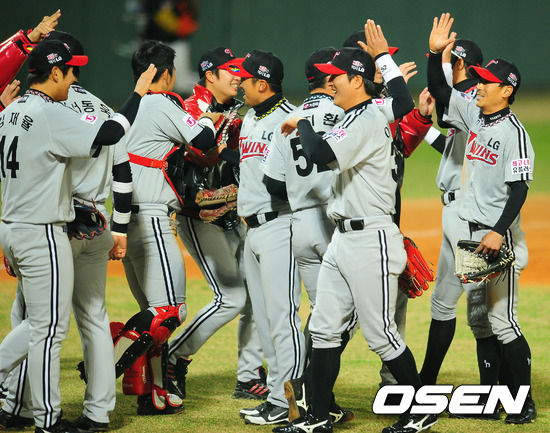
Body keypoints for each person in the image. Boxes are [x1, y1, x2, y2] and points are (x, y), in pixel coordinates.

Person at [275, 46, 437, 433]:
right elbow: (397, 105)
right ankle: (318, 416)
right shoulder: (357, 115)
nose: (329, 82)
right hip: (344, 240)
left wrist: (303, 121)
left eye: (336, 77)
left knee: (380, 333)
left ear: (356, 80)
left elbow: (318, 153)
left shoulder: (365, 119)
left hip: (371, 239)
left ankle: (421, 409)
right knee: (324, 328)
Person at [0, 39, 155, 433]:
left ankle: (19, 408)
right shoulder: (64, 111)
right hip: (56, 226)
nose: (75, 77)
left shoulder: (10, 110)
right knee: (61, 324)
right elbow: (113, 138)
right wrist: (138, 93)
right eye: (72, 69)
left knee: (34, 321)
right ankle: (65, 416)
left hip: (18, 222)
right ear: (56, 71)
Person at [427, 13, 536, 425]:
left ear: (506, 91)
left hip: (495, 238)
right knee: (481, 319)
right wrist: (434, 54)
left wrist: (497, 231)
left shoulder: (515, 133)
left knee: (502, 321)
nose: (479, 86)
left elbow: (520, 189)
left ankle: (523, 403)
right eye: (480, 79)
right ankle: (495, 397)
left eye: (487, 82)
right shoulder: (476, 115)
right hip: (471, 236)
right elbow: (441, 90)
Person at [119, 39, 219, 416]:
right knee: (170, 311)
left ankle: (154, 395)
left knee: (154, 317)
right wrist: (204, 111)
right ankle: (107, 362)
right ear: (166, 74)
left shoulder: (128, 108)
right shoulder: (159, 102)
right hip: (151, 220)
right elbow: (204, 140)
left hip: (128, 220)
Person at [165, 46, 267, 401]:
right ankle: (173, 356)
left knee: (257, 293)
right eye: (231, 71)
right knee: (231, 297)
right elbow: (197, 154)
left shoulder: (235, 110)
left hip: (233, 215)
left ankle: (249, 376)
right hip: (200, 218)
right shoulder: (190, 109)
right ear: (210, 75)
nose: (238, 77)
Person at [419, 39, 504, 405]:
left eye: (452, 62)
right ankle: (424, 382)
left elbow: (441, 98)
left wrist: (432, 57)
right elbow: (453, 147)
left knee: (479, 309)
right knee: (443, 302)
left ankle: (494, 393)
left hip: (468, 214)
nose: (449, 67)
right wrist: (422, 127)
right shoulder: (468, 105)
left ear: (463, 66)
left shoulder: (472, 100)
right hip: (453, 213)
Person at [223, 49, 302, 425]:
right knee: (265, 322)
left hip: (279, 227)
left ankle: (295, 399)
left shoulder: (291, 120)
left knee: (282, 318)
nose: (239, 83)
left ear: (263, 83)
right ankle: (275, 396)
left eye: (245, 78)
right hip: (252, 231)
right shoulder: (250, 118)